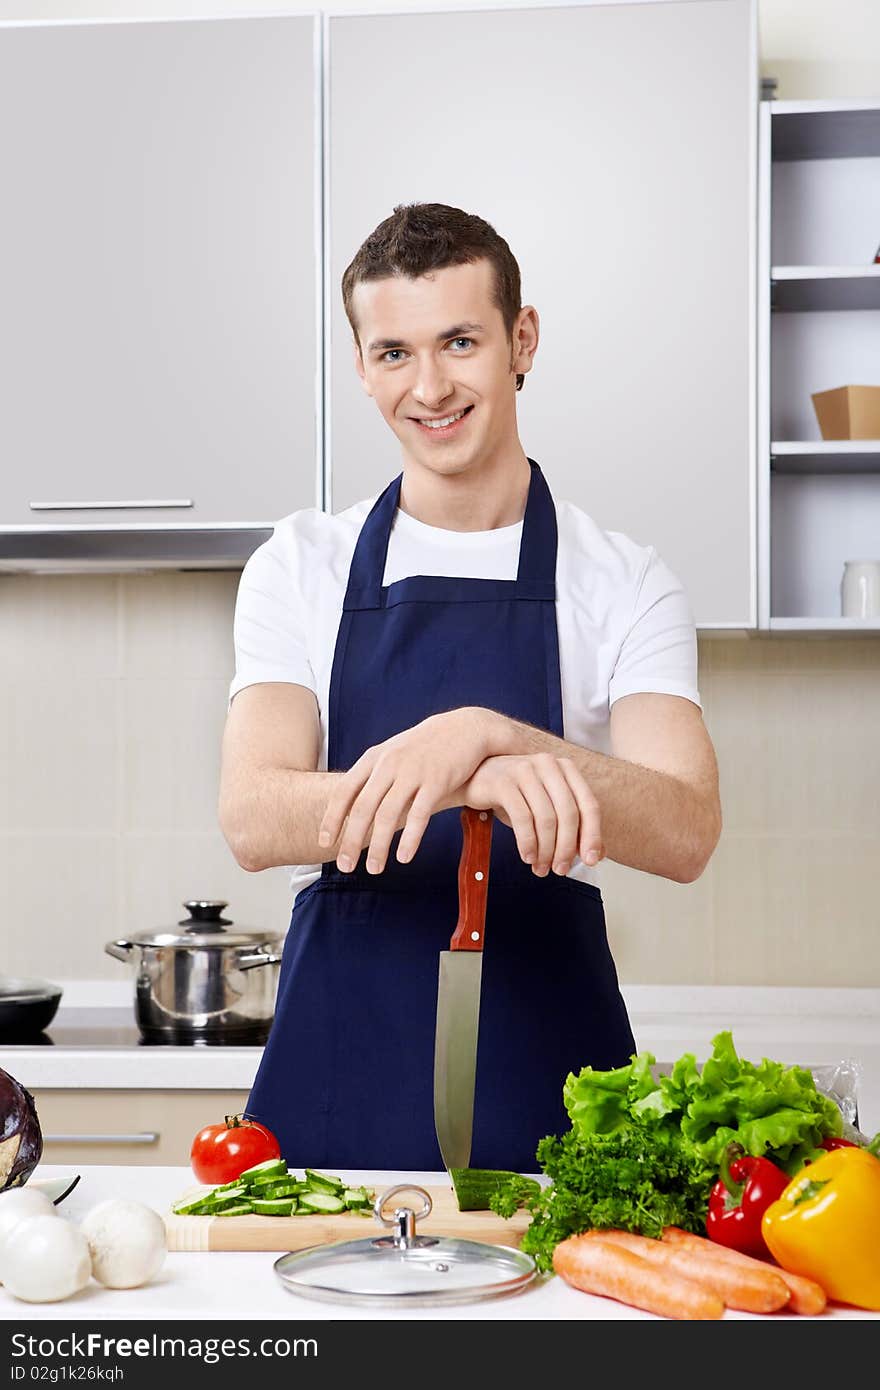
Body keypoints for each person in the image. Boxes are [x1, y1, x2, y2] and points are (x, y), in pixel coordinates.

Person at [219, 203, 721, 1173]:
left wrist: (490, 735)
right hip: (342, 1079)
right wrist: (465, 775)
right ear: (362, 367)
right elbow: (254, 815)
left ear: (519, 340)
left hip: (552, 1077)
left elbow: (686, 826)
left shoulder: (620, 578)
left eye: (459, 342)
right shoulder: (301, 564)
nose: (431, 386)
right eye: (394, 352)